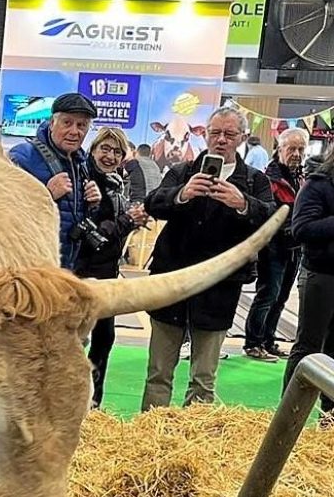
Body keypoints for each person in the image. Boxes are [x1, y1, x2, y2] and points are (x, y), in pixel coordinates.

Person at [139, 108, 276, 411]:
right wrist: (182, 194)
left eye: (229, 134)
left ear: (242, 138)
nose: (221, 140)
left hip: (220, 285)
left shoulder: (254, 181)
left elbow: (274, 220)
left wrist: (243, 204)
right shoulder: (183, 171)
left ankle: (195, 441)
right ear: (206, 134)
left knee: (204, 376)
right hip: (172, 280)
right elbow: (153, 203)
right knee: (158, 372)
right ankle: (148, 433)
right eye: (215, 133)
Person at [76, 126, 148, 407]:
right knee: (75, 341)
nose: (110, 155)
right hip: (82, 275)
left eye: (117, 151)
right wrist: (129, 221)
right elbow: (94, 235)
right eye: (104, 148)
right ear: (93, 150)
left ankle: (94, 401)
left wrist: (130, 220)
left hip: (108, 275)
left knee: (104, 339)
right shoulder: (85, 182)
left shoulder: (116, 182)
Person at [7, 92, 102, 271]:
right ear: (52, 123)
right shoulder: (22, 155)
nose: (75, 131)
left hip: (65, 264)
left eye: (81, 125)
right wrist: (47, 195)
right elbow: (3, 211)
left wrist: (93, 204)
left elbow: (71, 214)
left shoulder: (81, 162)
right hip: (27, 265)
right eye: (67, 123)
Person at [243, 127, 307, 362]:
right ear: (279, 150)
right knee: (267, 294)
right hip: (273, 247)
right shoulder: (268, 179)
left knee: (281, 297)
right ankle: (253, 342)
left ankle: (269, 340)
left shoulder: (302, 177)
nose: (297, 154)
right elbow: (267, 214)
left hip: (295, 248)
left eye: (301, 149)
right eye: (291, 149)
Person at [284, 145, 334, 419]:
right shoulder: (318, 184)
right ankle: (289, 415)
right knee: (308, 346)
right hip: (321, 275)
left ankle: (330, 417)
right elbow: (301, 228)